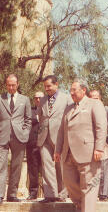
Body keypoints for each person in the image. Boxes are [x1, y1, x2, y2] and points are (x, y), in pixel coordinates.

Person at [54, 78, 108, 212]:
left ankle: (86, 209)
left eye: (74, 90)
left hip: (89, 153)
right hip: (68, 154)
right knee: (69, 183)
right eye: (70, 90)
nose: (71, 93)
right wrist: (57, 150)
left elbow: (101, 127)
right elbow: (61, 131)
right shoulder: (68, 108)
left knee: (89, 186)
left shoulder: (94, 104)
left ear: (84, 90)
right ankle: (81, 206)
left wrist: (99, 148)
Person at [0, 74, 32, 205]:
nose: (11, 87)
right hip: (2, 136)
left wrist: (25, 132)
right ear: (6, 85)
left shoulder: (25, 99)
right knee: (0, 166)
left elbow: (28, 119)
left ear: (18, 84)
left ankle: (12, 194)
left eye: (13, 85)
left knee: (16, 166)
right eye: (8, 85)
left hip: (19, 137)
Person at [37, 75, 71, 203]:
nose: (47, 89)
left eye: (49, 86)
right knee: (47, 165)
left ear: (56, 84)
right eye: (45, 87)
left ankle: (62, 194)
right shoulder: (42, 100)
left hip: (60, 136)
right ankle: (50, 194)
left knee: (61, 166)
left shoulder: (67, 98)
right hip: (44, 137)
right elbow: (41, 116)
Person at [89, 89, 108, 201]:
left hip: (102, 141)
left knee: (104, 168)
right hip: (89, 142)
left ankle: (104, 193)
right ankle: (92, 192)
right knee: (91, 170)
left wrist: (107, 138)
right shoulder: (86, 109)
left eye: (96, 98)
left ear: (100, 98)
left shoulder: (107, 109)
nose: (94, 100)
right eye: (92, 98)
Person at [26, 91, 44, 200]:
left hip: (45, 144)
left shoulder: (48, 111)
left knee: (47, 170)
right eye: (36, 98)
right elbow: (27, 120)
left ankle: (49, 193)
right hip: (32, 144)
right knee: (33, 169)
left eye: (40, 98)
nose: (38, 100)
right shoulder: (30, 111)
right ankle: (33, 193)